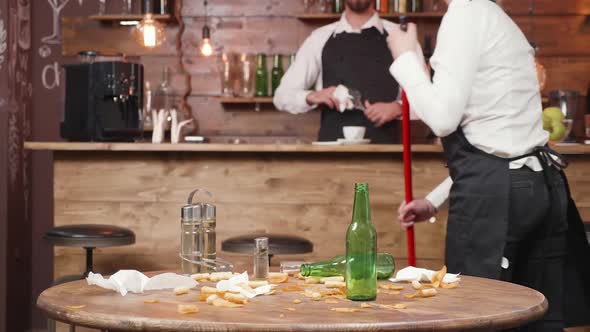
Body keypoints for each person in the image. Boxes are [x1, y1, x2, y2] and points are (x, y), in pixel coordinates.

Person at [388, 0, 590, 330]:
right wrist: (435, 200)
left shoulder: (465, 14)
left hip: (499, 199)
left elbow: (442, 119)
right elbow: (501, 143)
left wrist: (405, 57)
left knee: (475, 316)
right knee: (539, 320)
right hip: (541, 188)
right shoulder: (495, 18)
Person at [273, 0, 424, 144]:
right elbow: (282, 96)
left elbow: (426, 100)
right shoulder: (319, 38)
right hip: (331, 156)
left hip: (388, 157)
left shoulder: (401, 37)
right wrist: (311, 96)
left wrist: (398, 108)